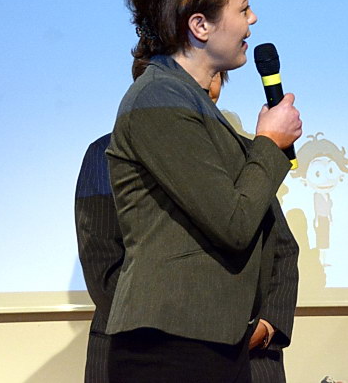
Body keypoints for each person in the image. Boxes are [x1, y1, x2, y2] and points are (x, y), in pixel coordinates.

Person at [103, 0, 302, 382]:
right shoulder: (159, 99)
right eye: (243, 8)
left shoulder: (188, 101)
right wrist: (269, 143)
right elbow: (233, 222)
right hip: (169, 349)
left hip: (208, 341)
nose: (252, 20)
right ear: (200, 25)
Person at [75, 75, 300, 383]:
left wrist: (265, 327)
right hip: (147, 353)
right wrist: (186, 336)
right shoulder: (106, 152)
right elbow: (102, 262)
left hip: (248, 356)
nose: (205, 83)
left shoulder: (249, 153)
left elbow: (281, 249)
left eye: (215, 74)